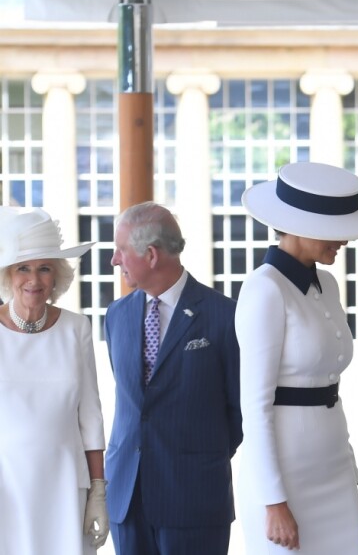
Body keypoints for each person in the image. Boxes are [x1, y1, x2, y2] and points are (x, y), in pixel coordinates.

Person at [235, 161, 358, 554]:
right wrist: (274, 502)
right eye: (337, 233)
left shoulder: (329, 284)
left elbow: (328, 395)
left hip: (334, 470)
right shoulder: (264, 288)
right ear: (301, 226)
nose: (345, 241)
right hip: (285, 479)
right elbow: (254, 406)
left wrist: (350, 480)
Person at [104, 201, 242, 555]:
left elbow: (239, 411)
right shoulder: (116, 315)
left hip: (194, 500)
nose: (114, 260)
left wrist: (194, 458)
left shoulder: (225, 317)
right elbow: (131, 403)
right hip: (127, 498)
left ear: (150, 255)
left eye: (120, 250)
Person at [0, 207, 108, 555]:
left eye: (44, 268)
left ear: (57, 275)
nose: (34, 279)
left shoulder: (77, 328)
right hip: (7, 486)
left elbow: (90, 415)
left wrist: (98, 491)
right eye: (24, 268)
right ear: (8, 274)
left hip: (65, 486)